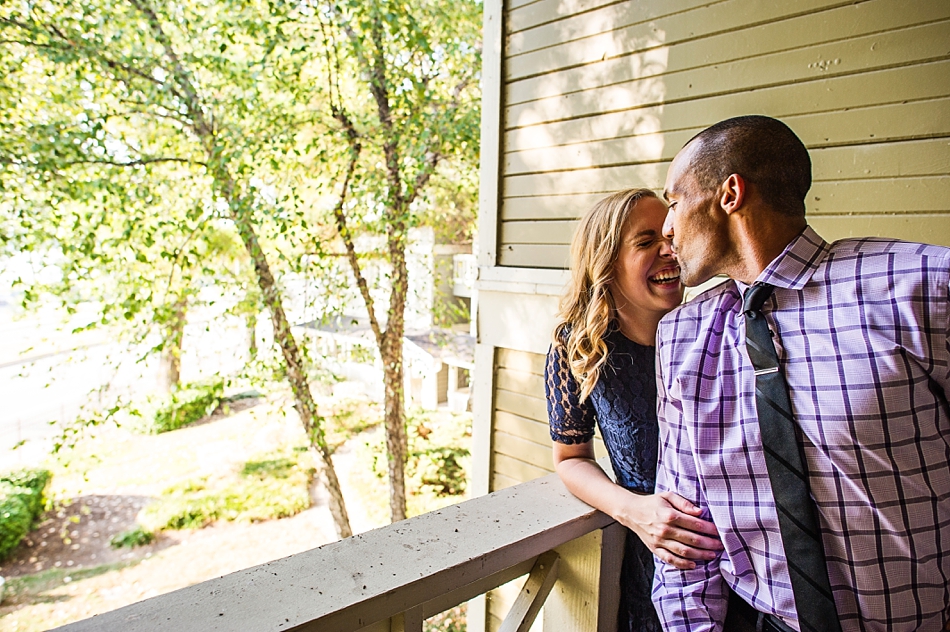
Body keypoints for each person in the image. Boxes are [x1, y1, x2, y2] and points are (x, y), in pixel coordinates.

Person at [653, 115, 950, 631]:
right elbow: (686, 525)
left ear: (730, 194)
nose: (666, 228)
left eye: (673, 202)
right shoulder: (682, 335)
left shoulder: (922, 287)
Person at [545, 188, 723, 632]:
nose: (670, 250)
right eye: (646, 243)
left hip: (747, 555)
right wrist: (633, 510)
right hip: (657, 558)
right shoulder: (581, 348)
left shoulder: (716, 327)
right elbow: (571, 459)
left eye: (669, 234)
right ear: (605, 264)